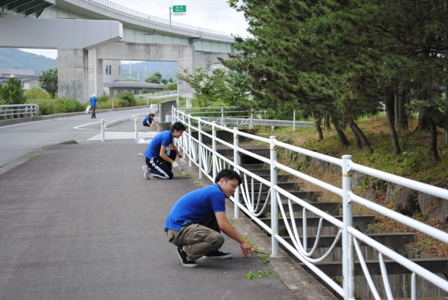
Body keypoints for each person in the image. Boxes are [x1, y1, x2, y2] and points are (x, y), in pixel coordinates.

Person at [164, 169, 254, 268]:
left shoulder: (213, 191)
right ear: (222, 181)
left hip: (178, 228)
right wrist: (242, 242)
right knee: (217, 239)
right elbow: (223, 225)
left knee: (216, 215)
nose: (234, 190)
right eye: (233, 185)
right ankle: (185, 251)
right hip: (178, 230)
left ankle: (210, 251)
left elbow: (221, 221)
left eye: (236, 187)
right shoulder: (216, 193)